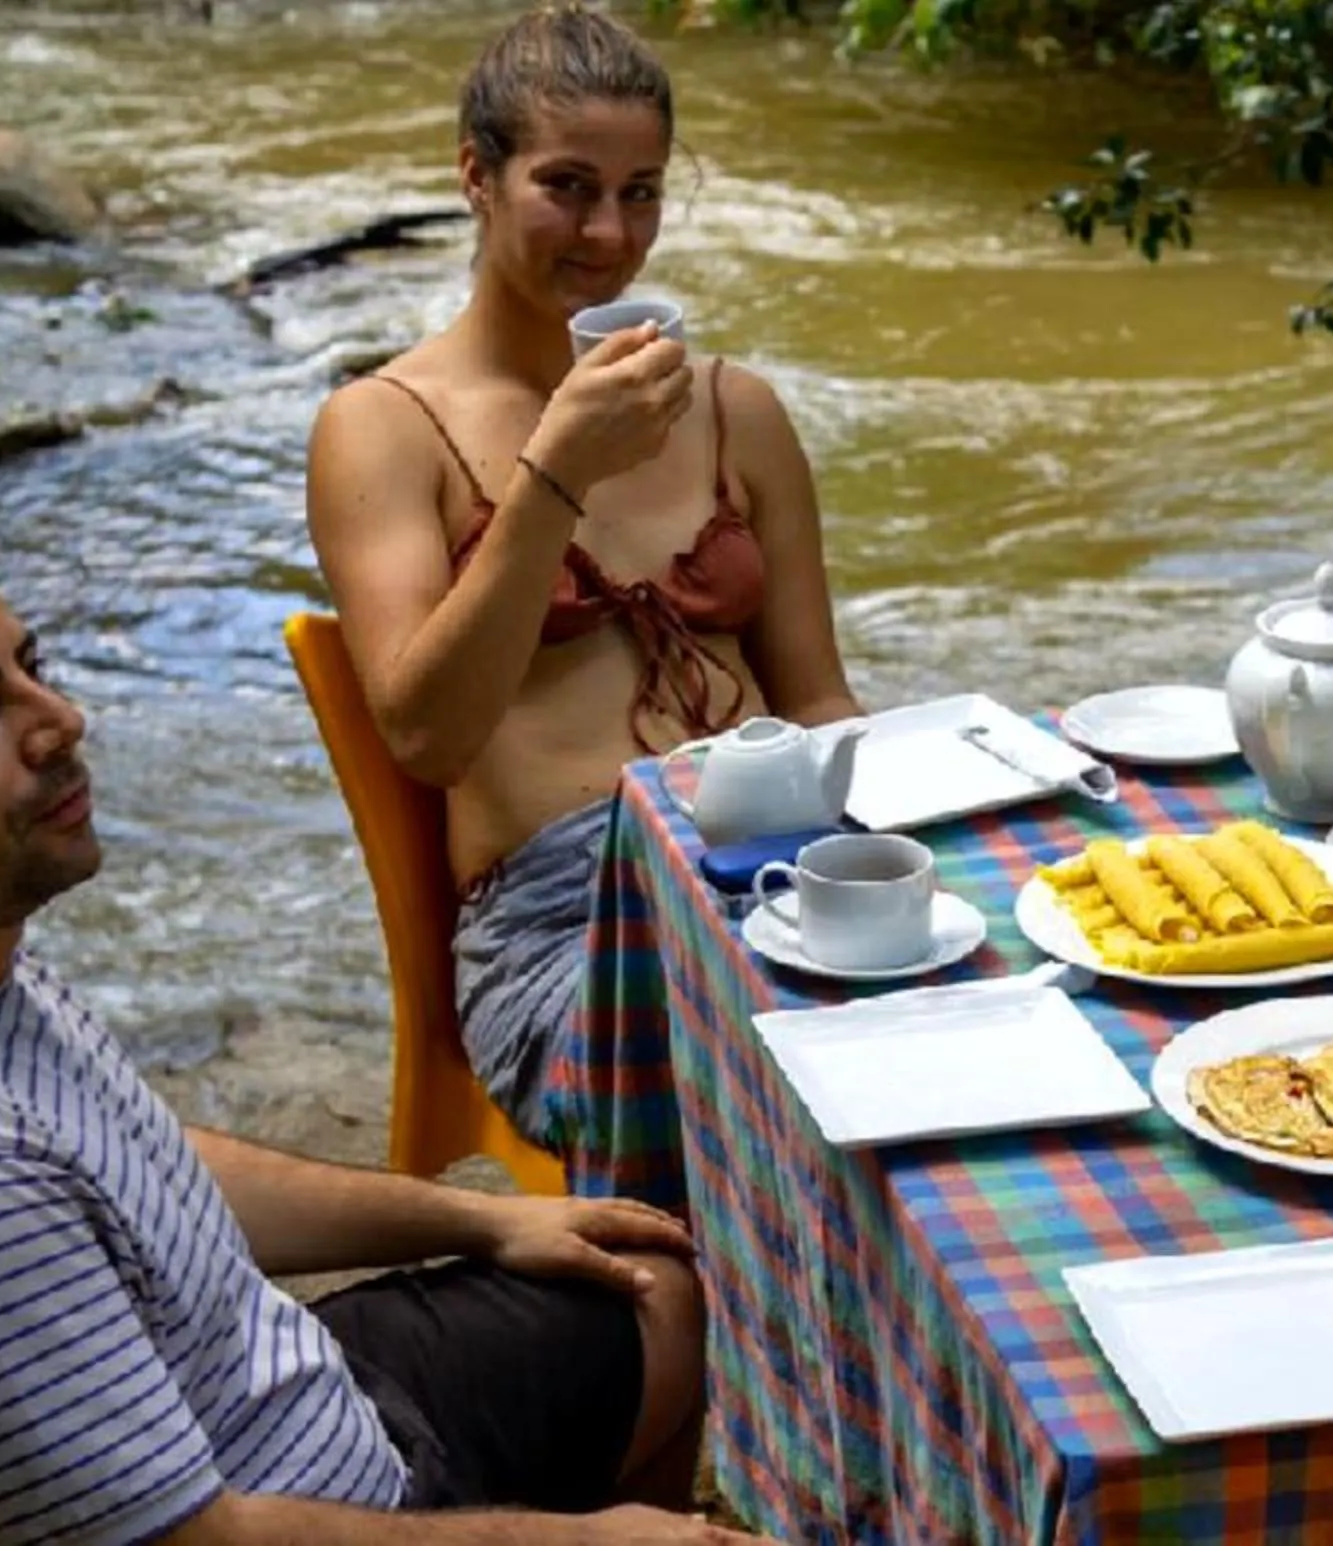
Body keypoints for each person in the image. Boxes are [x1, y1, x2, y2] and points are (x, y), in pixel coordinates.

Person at [0, 481, 767, 1545]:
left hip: (270, 1395)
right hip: (258, 1501)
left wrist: (486, 1218)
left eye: (29, 668)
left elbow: (135, 1164)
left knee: (652, 1284)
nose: (58, 721)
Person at [304, 5, 864, 1154]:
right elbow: (426, 736)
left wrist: (897, 840)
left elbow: (816, 701)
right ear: (477, 176)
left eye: (643, 191)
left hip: (772, 870)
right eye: (567, 186)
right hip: (564, 928)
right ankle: (716, 1328)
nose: (610, 233)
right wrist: (555, 471)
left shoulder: (733, 409)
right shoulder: (381, 428)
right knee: (768, 1044)